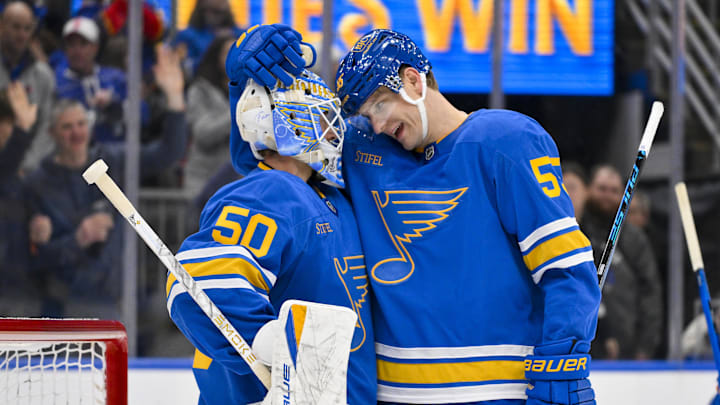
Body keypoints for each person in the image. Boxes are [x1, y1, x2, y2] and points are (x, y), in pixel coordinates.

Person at [226, 25, 601, 404]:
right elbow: (267, 156)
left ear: (412, 81)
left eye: (379, 105)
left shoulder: (506, 141)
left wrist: (564, 356)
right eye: (366, 115)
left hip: (500, 393)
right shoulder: (360, 150)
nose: (376, 124)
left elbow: (565, 265)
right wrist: (244, 82)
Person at [166, 68, 375, 404]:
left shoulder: (329, 196)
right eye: (321, 115)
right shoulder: (268, 192)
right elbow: (203, 286)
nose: (333, 128)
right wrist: (268, 342)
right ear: (291, 123)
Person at [24, 46, 187, 319]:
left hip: (117, 302)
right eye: (67, 127)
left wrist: (174, 97)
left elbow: (167, 153)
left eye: (80, 124)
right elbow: (34, 259)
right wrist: (77, 239)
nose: (76, 132)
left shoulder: (113, 158)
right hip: (63, 308)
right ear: (52, 133)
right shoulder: (38, 183)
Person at [582, 164, 662, 360]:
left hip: (626, 352)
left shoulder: (634, 239)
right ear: (589, 189)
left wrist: (645, 347)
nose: (607, 196)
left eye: (614, 191)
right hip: (580, 347)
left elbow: (650, 293)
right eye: (601, 189)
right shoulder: (575, 230)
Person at [0, 81, 46, 317]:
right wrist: (23, 128)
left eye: (8, 125)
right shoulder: (7, 169)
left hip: (20, 290)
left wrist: (39, 224)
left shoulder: (21, 180)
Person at [0, 0, 56, 173]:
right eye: (16, 27)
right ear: (1, 26)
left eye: (27, 28)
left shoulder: (44, 75)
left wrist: (25, 166)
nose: (22, 34)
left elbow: (47, 126)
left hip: (29, 174)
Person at [55, 16, 126, 144]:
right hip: (77, 158)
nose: (77, 51)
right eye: (71, 44)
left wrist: (114, 103)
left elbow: (143, 114)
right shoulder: (56, 83)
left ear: (95, 47)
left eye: (83, 44)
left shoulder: (116, 78)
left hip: (117, 155)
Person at [183, 34, 235, 198]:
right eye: (229, 53)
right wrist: (239, 111)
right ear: (216, 56)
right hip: (204, 186)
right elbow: (203, 134)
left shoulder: (254, 92)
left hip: (240, 187)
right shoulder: (200, 91)